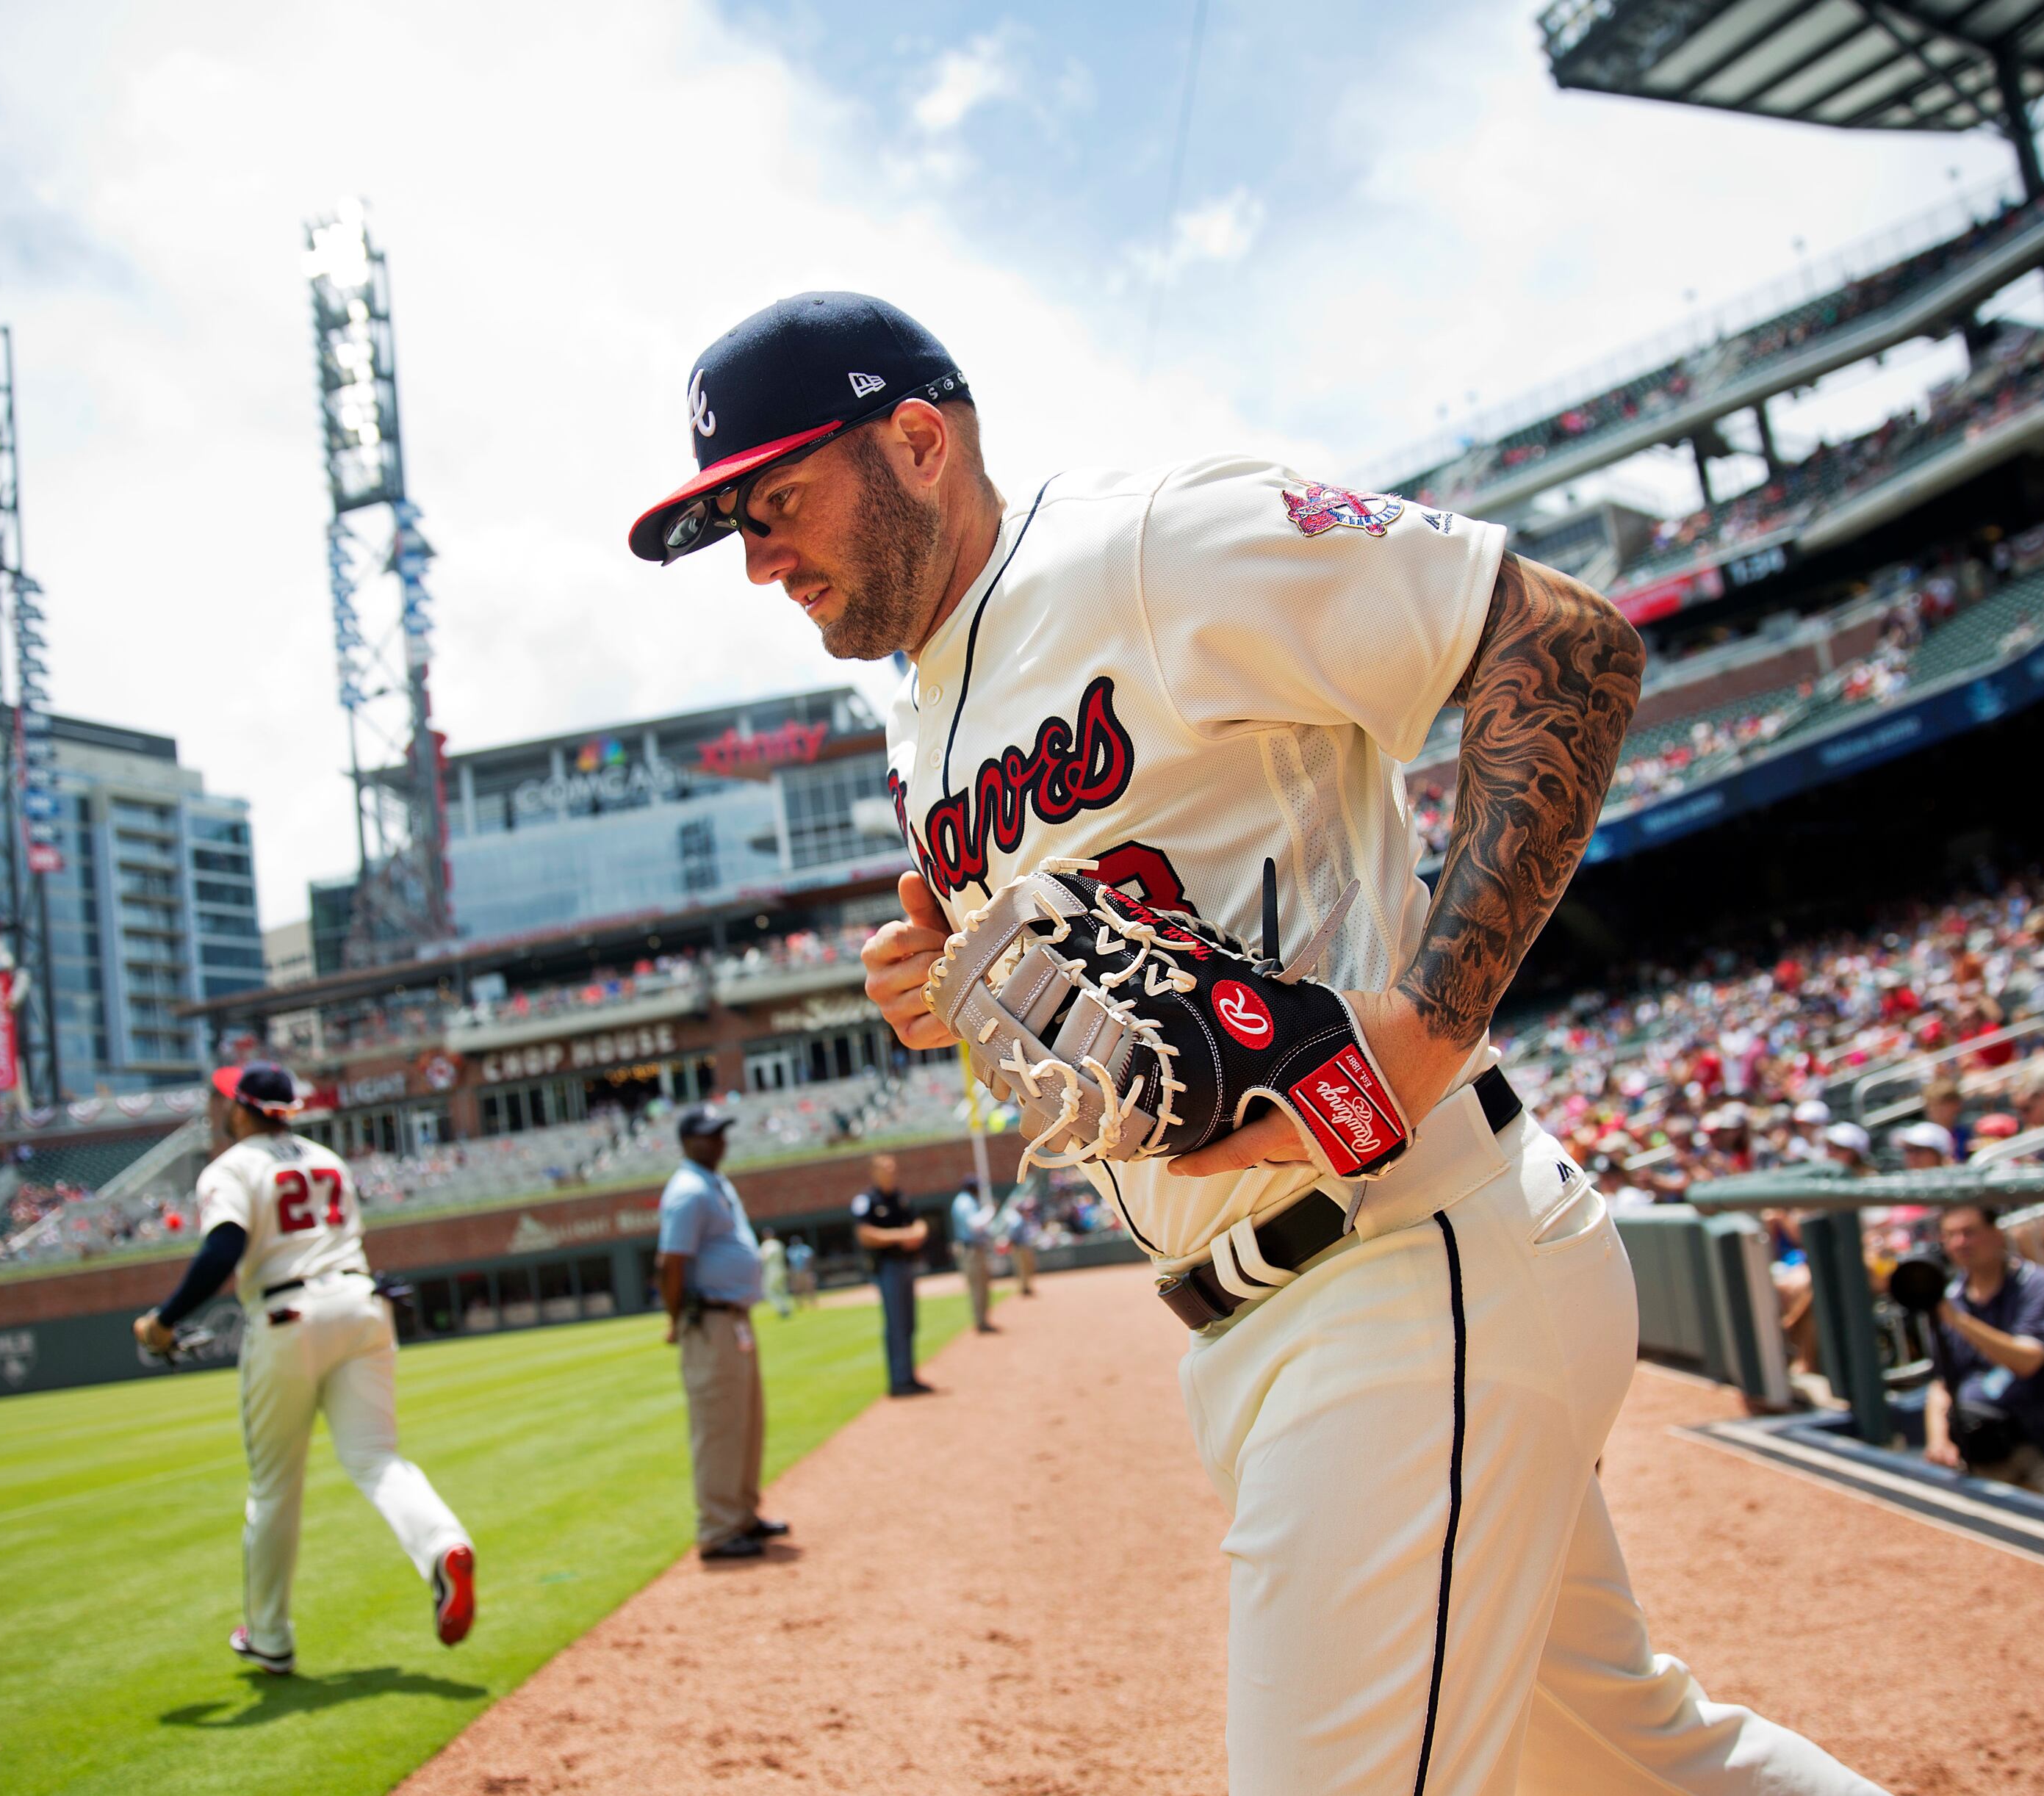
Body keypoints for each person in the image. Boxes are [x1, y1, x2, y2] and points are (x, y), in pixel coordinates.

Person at [633, 292, 1879, 1792]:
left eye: (776, 502)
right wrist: (946, 985)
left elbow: (1564, 643)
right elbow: (1103, 994)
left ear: (915, 441)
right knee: (1641, 1764)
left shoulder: (1149, 548)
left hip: (1399, 1261)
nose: (758, 559)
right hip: (1279, 1316)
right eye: (738, 526)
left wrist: (1425, 1026)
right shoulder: (919, 730)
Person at [131, 1062, 475, 1674]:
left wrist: (164, 1319)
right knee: (377, 1458)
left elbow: (224, 1247)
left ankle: (269, 1635)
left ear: (243, 1109)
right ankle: (444, 1545)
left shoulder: (233, 1166)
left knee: (274, 1486)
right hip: (361, 1303)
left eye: (227, 1100)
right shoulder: (326, 1158)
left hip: (289, 1314)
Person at [1918, 1200, 2044, 1507]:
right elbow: (1942, 1383)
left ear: (1996, 1233)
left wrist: (1958, 1321)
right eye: (1951, 1236)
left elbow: (2026, 1361)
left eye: (1969, 1232)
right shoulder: (1951, 1299)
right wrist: (1939, 1442)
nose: (1961, 1243)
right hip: (1990, 1450)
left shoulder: (2040, 1285)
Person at [656, 1108, 788, 1562]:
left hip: (733, 1320)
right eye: (708, 1136)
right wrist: (677, 1319)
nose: (718, 1142)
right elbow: (670, 1263)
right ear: (687, 1142)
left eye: (721, 1134)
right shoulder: (688, 1191)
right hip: (709, 1321)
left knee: (745, 1422)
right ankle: (717, 1528)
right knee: (718, 1427)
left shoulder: (714, 1183)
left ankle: (742, 1514)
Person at [849, 1151, 932, 1396]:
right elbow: (864, 1234)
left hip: (906, 1265)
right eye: (885, 1167)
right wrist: (901, 1236)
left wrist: (917, 1234)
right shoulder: (867, 1200)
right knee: (896, 1323)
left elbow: (920, 1223)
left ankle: (908, 1376)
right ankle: (899, 1381)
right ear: (873, 1171)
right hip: (887, 1268)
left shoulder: (900, 1197)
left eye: (893, 1167)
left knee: (908, 1323)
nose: (891, 1172)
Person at [949, 1178, 999, 1334]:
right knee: (978, 1287)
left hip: (975, 1249)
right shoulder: (965, 1202)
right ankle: (981, 1322)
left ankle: (983, 1321)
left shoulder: (965, 1200)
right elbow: (975, 1224)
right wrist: (990, 1211)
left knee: (981, 1286)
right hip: (971, 1250)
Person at [757, 1227, 794, 1320]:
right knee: (781, 1290)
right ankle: (786, 1308)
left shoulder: (767, 1244)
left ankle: (782, 1310)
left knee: (770, 1291)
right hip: (781, 1268)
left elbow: (765, 1257)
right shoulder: (778, 1243)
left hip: (772, 1270)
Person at [786, 1235, 818, 1311]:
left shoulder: (805, 1249)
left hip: (806, 1271)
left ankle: (812, 1302)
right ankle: (799, 1304)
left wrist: (809, 1269)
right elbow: (789, 1262)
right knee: (797, 1288)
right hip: (796, 1272)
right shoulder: (791, 1250)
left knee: (810, 1287)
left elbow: (811, 1258)